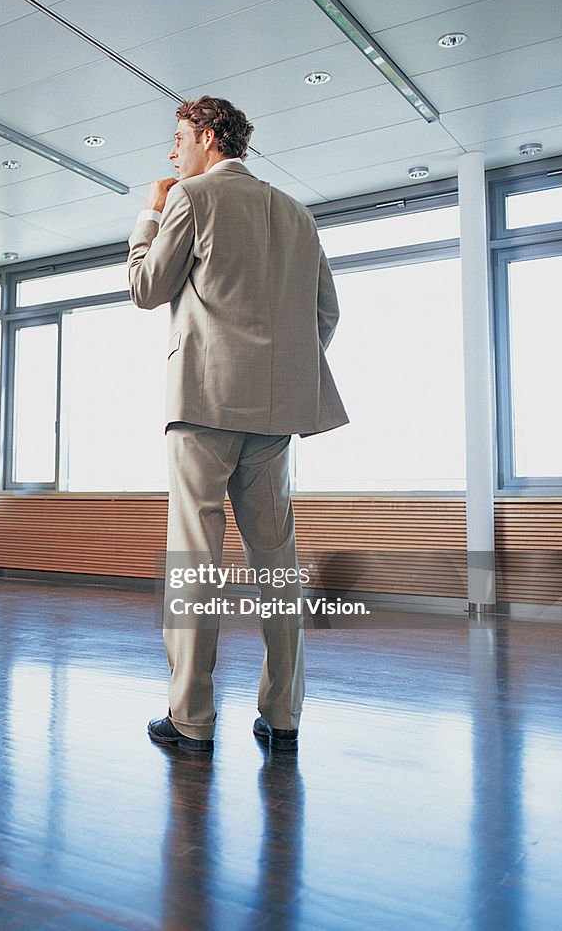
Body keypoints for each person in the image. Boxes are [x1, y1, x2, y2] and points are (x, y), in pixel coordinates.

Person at [128, 96, 348, 753]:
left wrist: (149, 210)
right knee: (277, 562)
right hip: (275, 415)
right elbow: (326, 316)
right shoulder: (297, 214)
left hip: (202, 405)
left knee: (194, 559)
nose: (173, 153)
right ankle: (283, 716)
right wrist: (278, 373)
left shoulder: (191, 198)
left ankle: (191, 719)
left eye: (177, 138)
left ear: (205, 135)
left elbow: (146, 287)